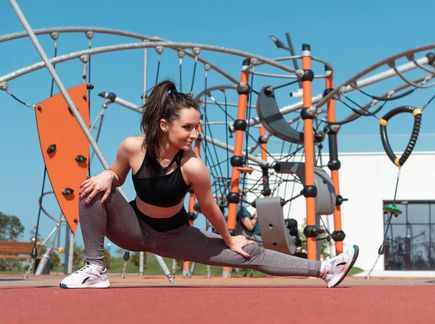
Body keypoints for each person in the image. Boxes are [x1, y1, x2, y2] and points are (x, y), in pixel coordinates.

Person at [59, 80, 358, 289]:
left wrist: (229, 239)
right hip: (133, 228)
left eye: (197, 127)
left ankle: (325, 269)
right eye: (187, 127)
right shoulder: (132, 147)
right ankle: (95, 269)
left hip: (175, 235)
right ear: (165, 125)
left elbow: (209, 206)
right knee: (94, 186)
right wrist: (109, 173)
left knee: (249, 252)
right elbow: (118, 175)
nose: (194, 134)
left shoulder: (193, 166)